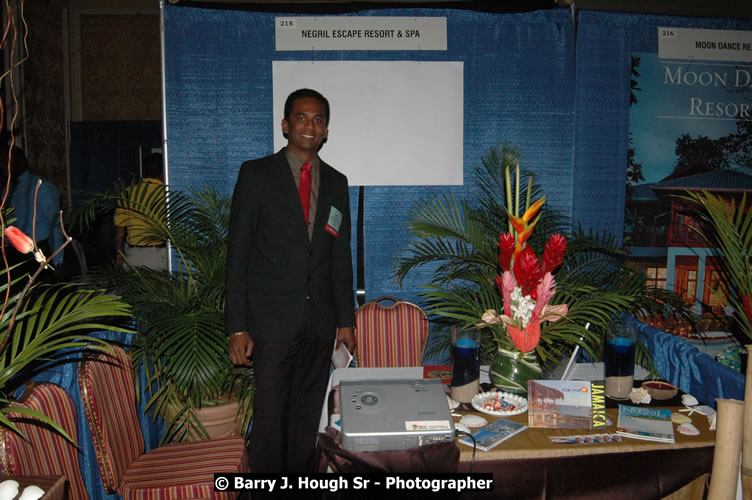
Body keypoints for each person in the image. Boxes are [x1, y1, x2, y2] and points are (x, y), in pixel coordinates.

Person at [225, 88, 356, 475]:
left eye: (318, 120)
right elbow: (238, 254)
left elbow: (340, 257)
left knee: (304, 423)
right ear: (285, 125)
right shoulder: (256, 175)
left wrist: (345, 321)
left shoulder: (337, 183)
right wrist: (237, 326)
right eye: (301, 117)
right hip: (271, 325)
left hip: (319, 325)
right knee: (270, 424)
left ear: (326, 130)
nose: (309, 126)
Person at [1, 145, 64, 281]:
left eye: (6, 160)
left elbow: (55, 224)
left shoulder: (40, 186)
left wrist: (57, 260)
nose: (2, 165)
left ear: (19, 162)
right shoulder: (7, 189)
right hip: (14, 253)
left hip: (38, 251)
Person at [113, 153, 167, 270]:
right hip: (160, 255)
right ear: (165, 171)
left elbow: (120, 227)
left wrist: (119, 251)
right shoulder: (167, 195)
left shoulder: (128, 193)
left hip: (134, 255)